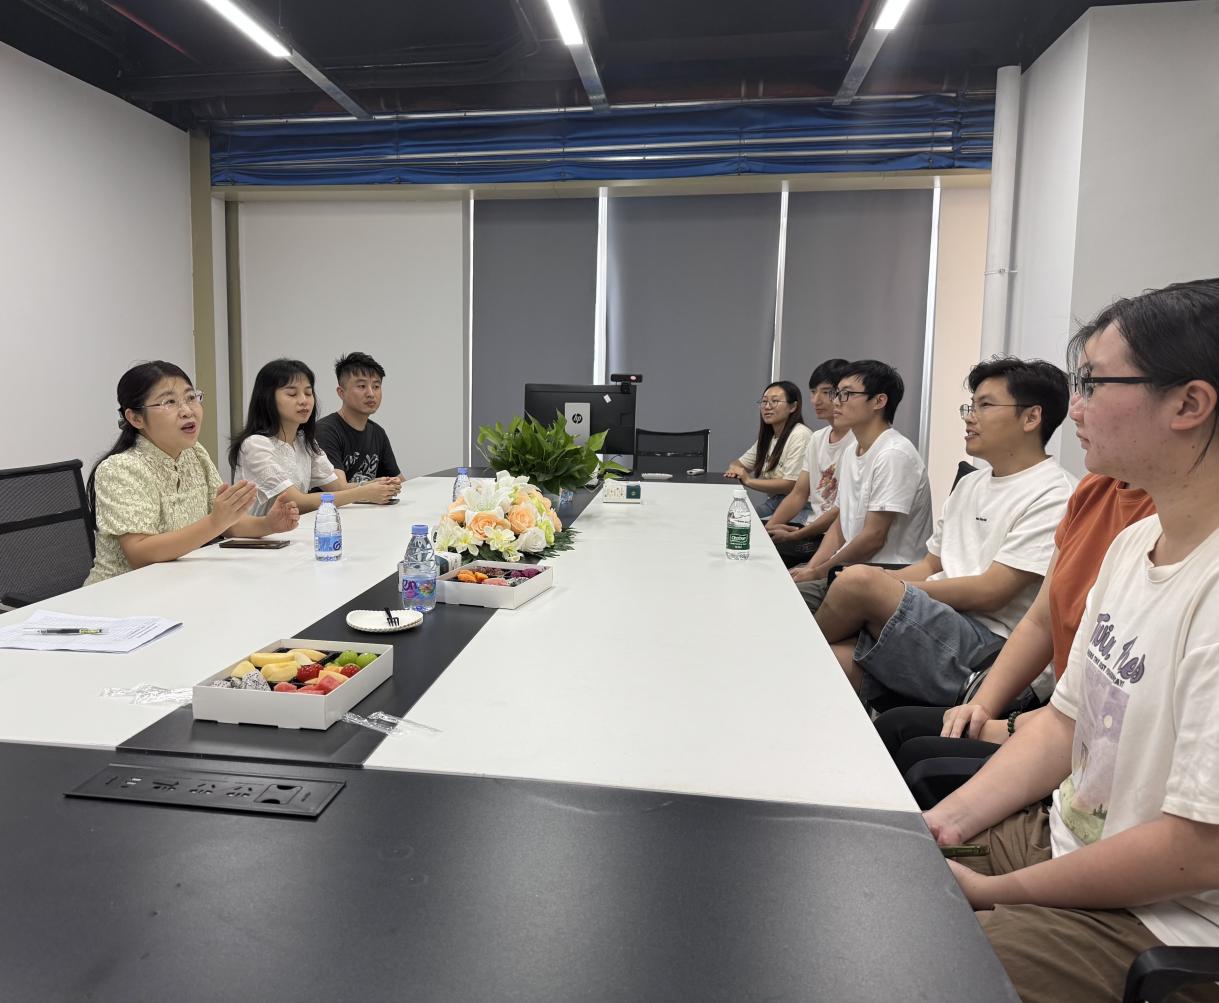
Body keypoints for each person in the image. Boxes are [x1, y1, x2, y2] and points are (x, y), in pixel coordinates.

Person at [926, 279, 1219, 1003]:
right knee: (876, 870)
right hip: (1066, 838)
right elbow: (1065, 723)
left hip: (1166, 920)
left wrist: (995, 892)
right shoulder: (1135, 544)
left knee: (910, 960)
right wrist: (942, 825)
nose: (1073, 407)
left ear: (1188, 404)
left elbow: (1196, 848)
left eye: (1092, 383)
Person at [875, 467, 1154, 809]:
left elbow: (1113, 706)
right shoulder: (1093, 490)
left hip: (1087, 734)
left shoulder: (1156, 528)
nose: (1078, 418)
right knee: (893, 727)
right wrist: (981, 707)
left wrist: (1009, 725)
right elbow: (1041, 620)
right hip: (1062, 715)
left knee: (920, 761)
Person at [815, 357, 1075, 704]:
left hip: (990, 646)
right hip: (938, 622)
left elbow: (992, 592)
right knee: (828, 662)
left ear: (1031, 417)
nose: (970, 417)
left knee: (856, 582)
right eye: (971, 405)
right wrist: (884, 587)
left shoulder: (1055, 493)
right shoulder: (971, 484)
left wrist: (882, 589)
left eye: (985, 405)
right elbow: (930, 565)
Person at [84, 361, 299, 585]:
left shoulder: (195, 453)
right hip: (120, 592)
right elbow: (140, 553)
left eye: (191, 397)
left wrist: (268, 524)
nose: (187, 411)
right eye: (169, 402)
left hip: (178, 583)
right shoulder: (120, 468)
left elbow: (228, 523)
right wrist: (215, 522)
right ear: (135, 418)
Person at [791, 360, 933, 613]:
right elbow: (840, 524)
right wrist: (812, 568)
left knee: (783, 600)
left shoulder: (893, 454)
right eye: (837, 393)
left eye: (846, 394)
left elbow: (873, 538)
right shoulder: (852, 450)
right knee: (783, 585)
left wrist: (820, 572)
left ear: (879, 401)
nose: (836, 401)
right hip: (851, 567)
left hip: (886, 573)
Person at [229, 358, 399, 515]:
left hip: (291, 531)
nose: (304, 401)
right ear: (267, 398)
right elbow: (295, 501)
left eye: (308, 393)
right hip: (259, 536)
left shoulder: (305, 442)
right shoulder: (256, 445)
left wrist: (376, 484)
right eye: (292, 394)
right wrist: (364, 492)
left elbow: (338, 487)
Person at [766, 359, 855, 566]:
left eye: (826, 392)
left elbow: (840, 511)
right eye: (813, 392)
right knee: (753, 537)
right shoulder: (817, 438)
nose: (816, 400)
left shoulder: (857, 442)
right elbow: (798, 493)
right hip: (811, 529)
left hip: (831, 536)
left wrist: (796, 535)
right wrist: (770, 527)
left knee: (767, 557)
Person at [724, 380, 813, 519]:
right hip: (775, 502)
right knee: (735, 518)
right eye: (764, 401)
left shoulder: (800, 435)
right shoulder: (769, 438)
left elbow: (791, 484)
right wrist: (735, 469)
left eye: (775, 401)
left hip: (800, 506)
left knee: (747, 524)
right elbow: (737, 464)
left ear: (793, 406)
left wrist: (748, 481)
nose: (767, 407)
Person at [315, 352, 405, 485]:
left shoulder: (378, 433)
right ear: (341, 392)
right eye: (362, 386)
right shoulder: (325, 431)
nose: (371, 394)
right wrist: (376, 485)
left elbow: (400, 482)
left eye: (376, 386)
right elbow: (339, 489)